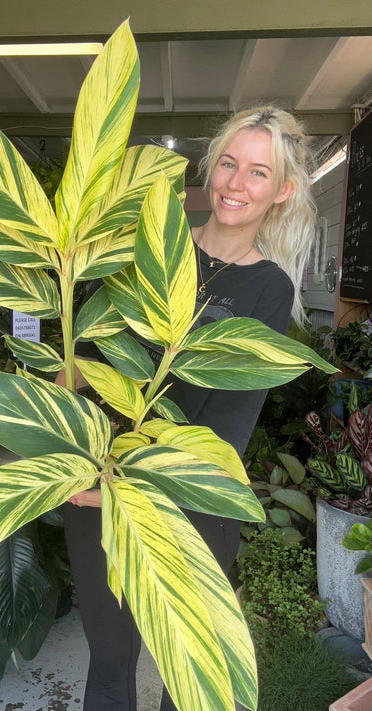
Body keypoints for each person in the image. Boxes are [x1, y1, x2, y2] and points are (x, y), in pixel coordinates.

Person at [62, 106, 317, 711]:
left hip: (189, 502)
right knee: (109, 660)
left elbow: (229, 423)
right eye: (229, 163)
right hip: (95, 479)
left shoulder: (269, 289)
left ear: (281, 191)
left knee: (187, 675)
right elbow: (87, 351)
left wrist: (123, 493)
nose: (235, 183)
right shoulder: (150, 243)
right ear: (211, 168)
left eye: (259, 173)